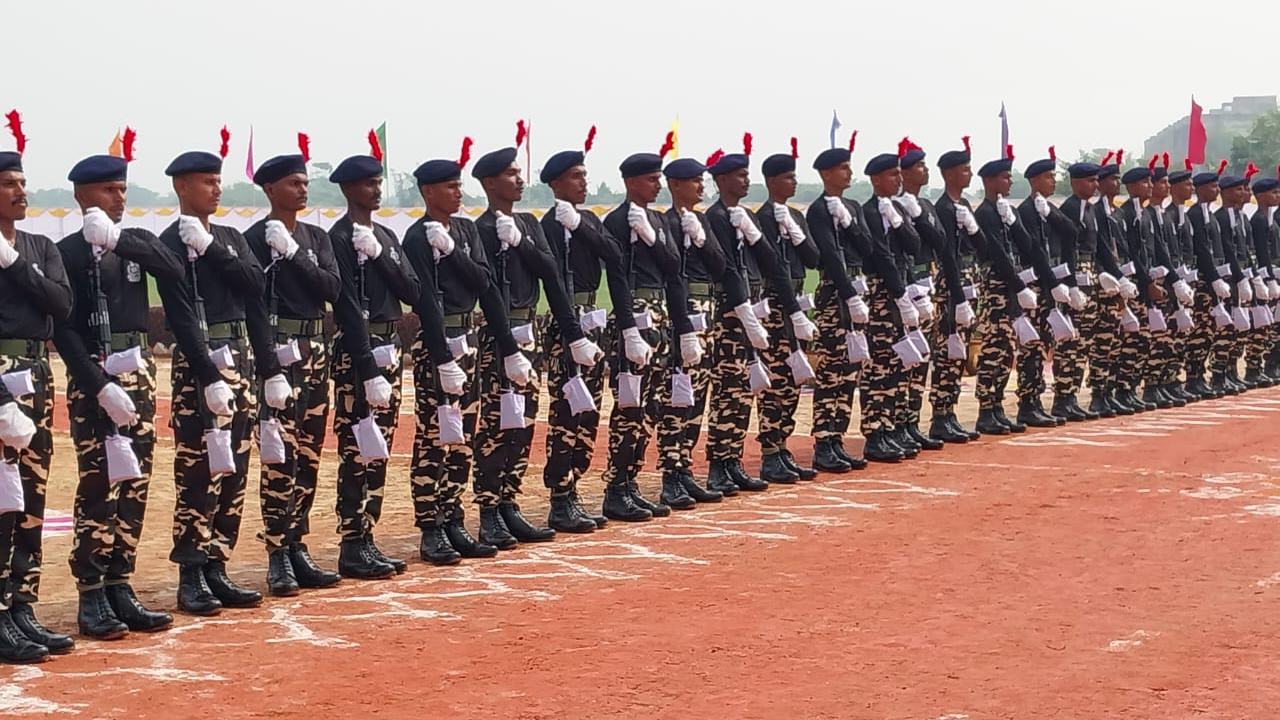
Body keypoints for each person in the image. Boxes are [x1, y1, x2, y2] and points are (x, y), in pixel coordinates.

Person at [155, 136, 289, 615]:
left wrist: (212, 248)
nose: (215, 189)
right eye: (207, 182)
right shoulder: (168, 242)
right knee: (198, 470)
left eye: (217, 180)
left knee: (234, 467)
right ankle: (191, 570)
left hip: (240, 361)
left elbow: (254, 288)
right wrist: (207, 373)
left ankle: (218, 563)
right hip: (201, 369)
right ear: (181, 186)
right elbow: (181, 313)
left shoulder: (228, 238)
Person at [55, 148, 178, 638]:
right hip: (94, 377)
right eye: (109, 190)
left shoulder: (133, 242)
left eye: (123, 189)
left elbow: (170, 269)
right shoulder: (65, 252)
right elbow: (62, 329)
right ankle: (91, 589)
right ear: (83, 196)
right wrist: (97, 384)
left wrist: (120, 241)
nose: (119, 197)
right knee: (99, 481)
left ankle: (120, 579)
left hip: (138, 372)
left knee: (137, 478)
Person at [471, 138, 602, 545]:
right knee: (496, 423)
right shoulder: (480, 229)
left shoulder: (526, 224)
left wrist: (521, 242)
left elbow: (550, 270)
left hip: (528, 330)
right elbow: (486, 286)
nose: (519, 180)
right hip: (500, 335)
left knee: (523, 422)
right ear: (490, 183)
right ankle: (489, 508)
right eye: (511, 174)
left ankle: (509, 502)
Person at [402, 141, 509, 564]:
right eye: (449, 187)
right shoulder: (415, 237)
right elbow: (424, 298)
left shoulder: (462, 231)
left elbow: (484, 281)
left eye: (458, 186)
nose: (457, 193)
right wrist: (442, 356)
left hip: (467, 338)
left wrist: (453, 251)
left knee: (462, 435)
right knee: (434, 437)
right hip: (438, 344)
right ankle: (431, 526)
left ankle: (453, 517)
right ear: (428, 192)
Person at [244, 146, 344, 596]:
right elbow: (251, 307)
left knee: (309, 452)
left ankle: (297, 540)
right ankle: (276, 551)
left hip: (315, 348)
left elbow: (331, 289)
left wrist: (296, 253)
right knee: (279, 457)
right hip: (278, 349)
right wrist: (268, 368)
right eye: (293, 183)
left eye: (305, 183)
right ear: (270, 189)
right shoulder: (251, 239)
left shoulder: (316, 238)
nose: (302, 189)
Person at [539, 129, 651, 525]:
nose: (583, 182)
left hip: (592, 322)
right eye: (576, 177)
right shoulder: (547, 226)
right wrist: (570, 334)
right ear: (555, 183)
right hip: (565, 324)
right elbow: (551, 282)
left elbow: (614, 256)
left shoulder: (586, 220)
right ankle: (560, 494)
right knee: (568, 409)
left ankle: (577, 484)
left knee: (590, 412)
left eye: (584, 175)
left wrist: (582, 226)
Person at [327, 147, 419, 579]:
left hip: (388, 347)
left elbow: (412, 290)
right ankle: (352, 539)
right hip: (359, 352)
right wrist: (365, 368)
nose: (376, 189)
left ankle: (368, 535)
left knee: (379, 446)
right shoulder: (337, 240)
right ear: (348, 189)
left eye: (378, 182)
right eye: (368, 183)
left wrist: (379, 254)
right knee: (357, 447)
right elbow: (344, 303)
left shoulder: (384, 236)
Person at [705, 136, 816, 483]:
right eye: (738, 175)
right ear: (722, 180)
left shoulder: (748, 217)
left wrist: (768, 234)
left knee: (748, 388)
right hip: (731, 313)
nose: (744, 180)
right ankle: (721, 463)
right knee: (730, 389)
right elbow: (726, 269)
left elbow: (778, 264)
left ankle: (740, 460)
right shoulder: (715, 218)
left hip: (758, 308)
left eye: (745, 174)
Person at [0, 137, 72, 661]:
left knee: (31, 496)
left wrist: (12, 264)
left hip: (36, 370)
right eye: (8, 184)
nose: (19, 191)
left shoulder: (39, 247)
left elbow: (60, 305)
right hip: (1, 374)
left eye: (22, 182)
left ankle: (21, 605)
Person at [599, 144, 691, 520]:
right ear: (631, 181)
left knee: (650, 407)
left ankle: (631, 480)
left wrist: (653, 237)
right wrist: (627, 328)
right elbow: (617, 278)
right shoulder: (618, 222)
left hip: (659, 316)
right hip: (634, 316)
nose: (657, 186)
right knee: (629, 407)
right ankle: (615, 486)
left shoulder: (658, 221)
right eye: (651, 179)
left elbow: (674, 269)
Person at [654, 155, 725, 504]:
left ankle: (685, 466)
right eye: (695, 181)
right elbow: (670, 275)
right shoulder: (664, 221)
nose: (701, 186)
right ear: (675, 185)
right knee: (677, 393)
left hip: (706, 309)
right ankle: (670, 471)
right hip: (679, 313)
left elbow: (720, 265)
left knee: (697, 393)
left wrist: (701, 239)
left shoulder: (700, 220)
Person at [804, 134, 874, 472]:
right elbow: (828, 257)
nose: (848, 174)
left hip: (857, 291)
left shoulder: (852, 208)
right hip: (836, 294)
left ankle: (838, 436)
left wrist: (849, 225)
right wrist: (847, 293)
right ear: (826, 174)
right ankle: (824, 440)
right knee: (832, 370)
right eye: (842, 169)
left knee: (850, 371)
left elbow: (868, 251)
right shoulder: (818, 210)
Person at [754, 140, 822, 473]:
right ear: (771, 181)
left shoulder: (794, 215)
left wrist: (794, 231)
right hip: (774, 305)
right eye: (786, 178)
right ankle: (770, 448)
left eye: (794, 177)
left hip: (796, 298)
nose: (793, 183)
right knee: (776, 378)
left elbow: (812, 259)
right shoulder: (761, 218)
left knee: (795, 375)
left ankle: (782, 445)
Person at [896, 139, 966, 447]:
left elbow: (940, 242)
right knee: (905, 361)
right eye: (919, 166)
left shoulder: (925, 206)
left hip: (928, 285)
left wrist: (921, 217)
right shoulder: (893, 205)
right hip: (908, 285)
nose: (925, 171)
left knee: (923, 358)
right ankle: (899, 423)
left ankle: (912, 422)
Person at [859, 151, 923, 461]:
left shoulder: (896, 209)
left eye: (899, 174)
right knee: (879, 364)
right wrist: (898, 291)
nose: (898, 179)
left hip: (901, 290)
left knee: (899, 362)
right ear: (875, 179)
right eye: (892, 175)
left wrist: (900, 222)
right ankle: (875, 432)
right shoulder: (868, 212)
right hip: (882, 292)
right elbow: (879, 255)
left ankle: (893, 425)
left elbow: (914, 247)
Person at [971, 151, 1040, 434]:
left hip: (1010, 286)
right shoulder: (985, 214)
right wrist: (1018, 286)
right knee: (993, 347)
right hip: (997, 286)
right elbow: (997, 253)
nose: (1009, 181)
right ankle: (986, 407)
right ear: (989, 180)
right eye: (1004, 176)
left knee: (1007, 348)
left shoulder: (1002, 211)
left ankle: (997, 404)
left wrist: (1013, 222)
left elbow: (1026, 246)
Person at [1017, 148, 1077, 425]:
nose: (1053, 181)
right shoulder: (1026, 211)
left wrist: (1050, 215)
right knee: (1031, 348)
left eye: (1053, 176)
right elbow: (1034, 250)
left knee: (1045, 345)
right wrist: (1051, 283)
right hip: (1037, 287)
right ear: (1034, 181)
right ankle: (1027, 403)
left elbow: (1072, 232)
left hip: (1052, 285)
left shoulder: (1047, 209)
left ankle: (1037, 400)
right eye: (1048, 177)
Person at [929, 138, 984, 441]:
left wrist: (973, 228)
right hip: (950, 286)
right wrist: (958, 296)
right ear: (950, 174)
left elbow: (981, 247)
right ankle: (940, 414)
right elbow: (947, 255)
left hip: (967, 279)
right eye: (964, 170)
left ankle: (949, 411)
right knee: (947, 350)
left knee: (959, 350)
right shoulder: (943, 208)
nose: (969, 175)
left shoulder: (962, 206)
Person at [1186, 162, 1234, 400]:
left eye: (1217, 186)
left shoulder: (1211, 217)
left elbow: (1219, 251)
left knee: (1210, 331)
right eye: (1212, 186)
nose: (1216, 190)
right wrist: (1214, 278)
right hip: (1204, 282)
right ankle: (1193, 376)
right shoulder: (1194, 214)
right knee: (1199, 330)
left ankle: (1200, 374)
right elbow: (1202, 251)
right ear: (1200, 189)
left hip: (1215, 279)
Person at [1161, 158, 1201, 402]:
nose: (1191, 189)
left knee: (1183, 333)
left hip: (1185, 279)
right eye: (1186, 185)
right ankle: (1167, 380)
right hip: (1172, 281)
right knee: (1172, 333)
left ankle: (1175, 379)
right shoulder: (1169, 214)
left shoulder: (1183, 214)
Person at [1248, 171, 1280, 383]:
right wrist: (1267, 276)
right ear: (1260, 196)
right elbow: (1260, 251)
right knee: (1263, 325)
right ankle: (1258, 366)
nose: (1277, 196)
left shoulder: (1271, 219)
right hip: (1265, 277)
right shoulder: (1259, 220)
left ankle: (1271, 363)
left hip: (1275, 275)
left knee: (1274, 325)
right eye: (1274, 192)